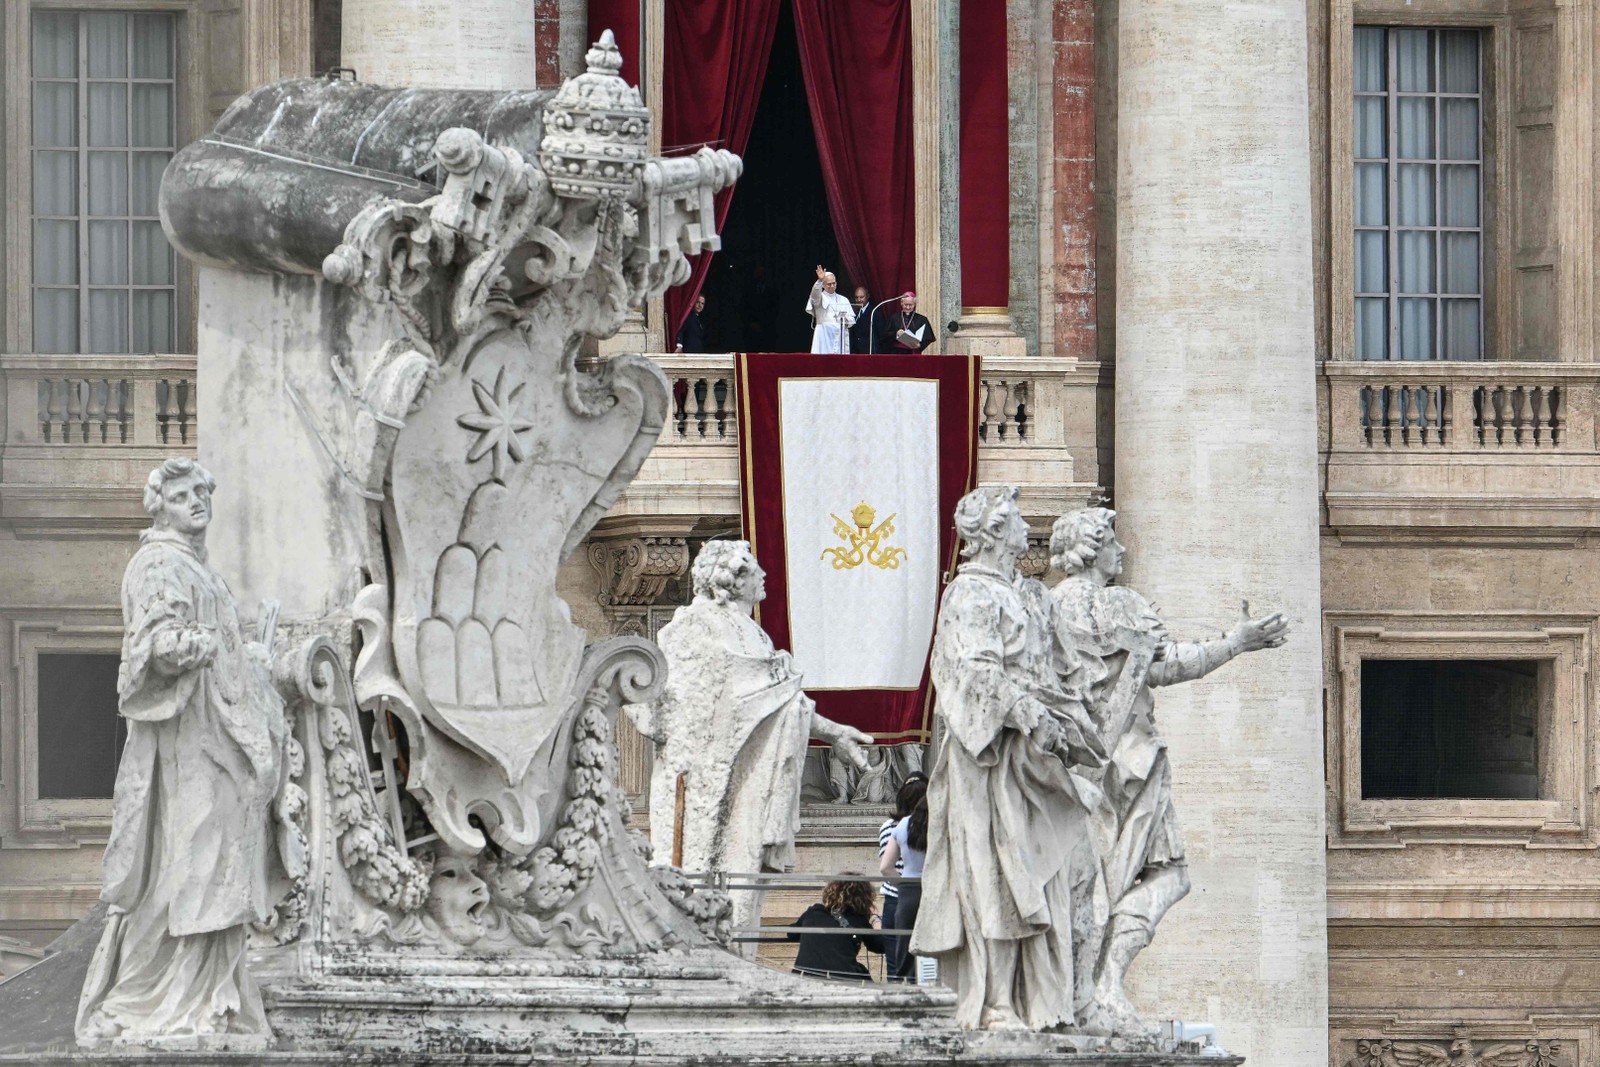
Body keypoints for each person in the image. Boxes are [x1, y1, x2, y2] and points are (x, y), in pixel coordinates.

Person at [1047, 507, 1288, 1034]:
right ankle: (1105, 985)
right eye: (1113, 540)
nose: (1123, 550)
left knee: (1088, 883)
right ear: (1091, 548)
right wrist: (1236, 642)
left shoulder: (1043, 611)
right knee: (1165, 874)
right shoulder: (1120, 606)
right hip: (1130, 757)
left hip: (1068, 765)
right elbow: (1167, 665)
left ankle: (1081, 992)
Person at [77, 458, 291, 1044]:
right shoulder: (159, 565)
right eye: (181, 494)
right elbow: (150, 648)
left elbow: (219, 653)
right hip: (188, 749)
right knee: (185, 867)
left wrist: (250, 662)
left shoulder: (203, 571)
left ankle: (207, 999)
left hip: (217, 743)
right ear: (159, 505)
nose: (198, 501)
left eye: (202, 491)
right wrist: (178, 649)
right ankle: (146, 997)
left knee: (216, 865)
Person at [909, 485, 1107, 1031]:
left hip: (1040, 758)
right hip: (993, 760)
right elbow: (972, 671)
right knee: (996, 875)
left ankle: (1053, 1000)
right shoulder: (971, 595)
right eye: (1017, 519)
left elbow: (1063, 670)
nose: (1026, 527)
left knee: (1063, 876)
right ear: (994, 532)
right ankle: (996, 1001)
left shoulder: (1027, 594)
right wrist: (1024, 710)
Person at [625, 540, 874, 956]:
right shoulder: (693, 629)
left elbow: (778, 700)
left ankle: (733, 958)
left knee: (741, 883)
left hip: (747, 779)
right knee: (700, 877)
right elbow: (661, 708)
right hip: (704, 782)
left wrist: (833, 731)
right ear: (732, 579)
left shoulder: (751, 634)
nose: (764, 576)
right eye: (754, 568)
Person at [877, 773, 927, 977]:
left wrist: (903, 885)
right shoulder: (936, 824)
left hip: (898, 897)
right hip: (928, 893)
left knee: (897, 965)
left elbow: (885, 866)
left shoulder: (892, 827)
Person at [787, 878, 887, 982]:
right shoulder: (859, 919)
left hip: (804, 978)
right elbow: (880, 946)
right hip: (843, 978)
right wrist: (875, 919)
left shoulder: (814, 911)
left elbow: (791, 934)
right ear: (864, 898)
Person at [804, 265, 855, 354]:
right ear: (823, 285)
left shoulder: (843, 299)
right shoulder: (819, 298)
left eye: (834, 283)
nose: (832, 286)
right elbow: (814, 295)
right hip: (824, 336)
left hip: (839, 337)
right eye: (829, 284)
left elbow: (852, 320)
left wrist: (845, 319)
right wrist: (819, 280)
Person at [849, 285, 873, 352]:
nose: (859, 300)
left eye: (861, 297)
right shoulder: (854, 312)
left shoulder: (874, 312)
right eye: (856, 297)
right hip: (856, 352)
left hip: (869, 351)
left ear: (867, 296)